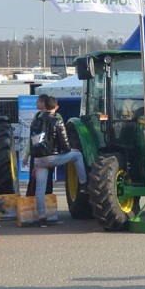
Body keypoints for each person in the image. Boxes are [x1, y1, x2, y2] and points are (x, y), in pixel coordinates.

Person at [31, 95, 88, 227]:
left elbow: (33, 142)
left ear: (44, 106)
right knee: (77, 155)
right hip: (53, 157)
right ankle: (84, 183)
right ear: (55, 107)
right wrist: (69, 150)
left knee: (40, 190)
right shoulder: (57, 121)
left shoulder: (35, 121)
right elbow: (64, 142)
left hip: (39, 160)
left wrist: (34, 163)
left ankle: (41, 219)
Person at [24, 94, 53, 197]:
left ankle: (46, 199)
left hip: (48, 153)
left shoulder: (55, 118)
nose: (36, 104)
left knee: (47, 179)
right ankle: (32, 199)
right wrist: (27, 155)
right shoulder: (37, 116)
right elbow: (32, 138)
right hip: (36, 152)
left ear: (43, 103)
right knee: (34, 178)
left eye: (38, 102)